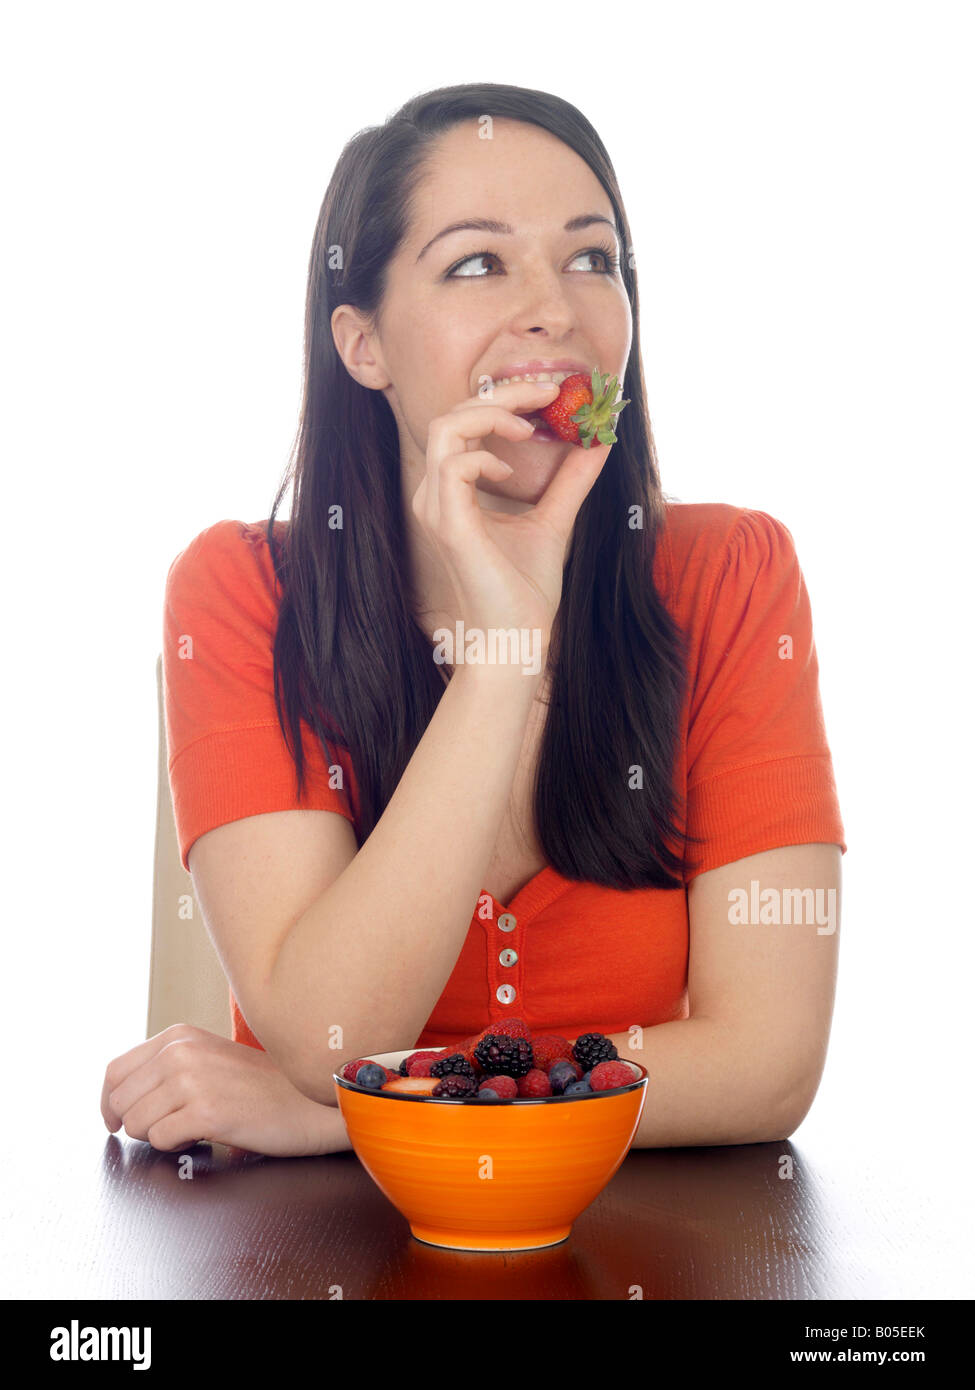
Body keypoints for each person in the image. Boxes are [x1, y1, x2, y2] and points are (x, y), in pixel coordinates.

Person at [101, 83, 846, 1158]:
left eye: (593, 260)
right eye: (478, 263)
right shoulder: (237, 590)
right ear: (363, 345)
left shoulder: (730, 574)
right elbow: (328, 1033)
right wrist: (505, 655)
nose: (556, 307)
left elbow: (768, 1063)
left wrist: (359, 1117)